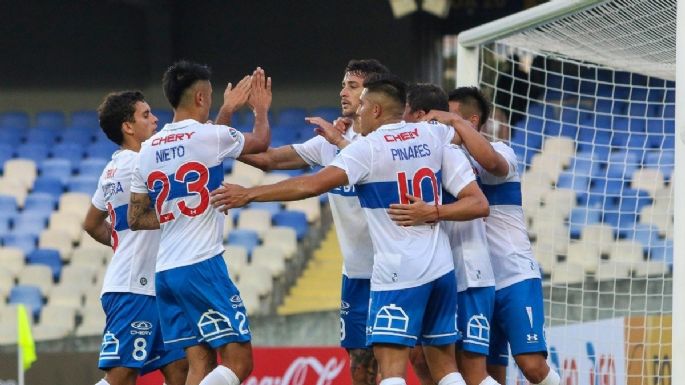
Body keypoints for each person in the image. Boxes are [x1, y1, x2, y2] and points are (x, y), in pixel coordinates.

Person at [210, 74, 490, 385]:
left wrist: (248, 194)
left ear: (376, 110)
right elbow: (469, 155)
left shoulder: (368, 148)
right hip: (439, 268)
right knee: (446, 369)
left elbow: (310, 185)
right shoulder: (429, 134)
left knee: (392, 369)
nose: (355, 110)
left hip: (397, 271)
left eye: (362, 102)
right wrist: (454, 119)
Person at [213, 58, 389, 385]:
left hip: (394, 271)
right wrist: (254, 117)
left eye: (352, 86)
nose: (342, 92)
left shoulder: (386, 143)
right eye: (342, 84)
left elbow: (311, 185)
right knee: (359, 366)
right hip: (356, 274)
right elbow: (268, 159)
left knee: (405, 362)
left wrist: (340, 142)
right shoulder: (330, 140)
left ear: (373, 94)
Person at [127, 60, 271, 385]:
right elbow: (260, 142)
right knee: (239, 361)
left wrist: (176, 212)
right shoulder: (209, 136)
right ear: (203, 98)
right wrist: (260, 109)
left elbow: (135, 218)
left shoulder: (147, 151)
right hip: (201, 265)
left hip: (165, 272)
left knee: (200, 365)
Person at [431, 86, 559, 385]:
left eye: (448, 118)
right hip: (478, 282)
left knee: (532, 366)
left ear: (471, 121)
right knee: (488, 374)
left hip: (514, 275)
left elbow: (492, 165)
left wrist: (455, 124)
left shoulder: (503, 151)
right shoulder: (446, 160)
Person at [396, 84, 499, 385]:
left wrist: (432, 212)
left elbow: (481, 204)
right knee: (424, 359)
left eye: (404, 113)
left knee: (472, 373)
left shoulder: (450, 151)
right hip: (440, 273)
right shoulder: (417, 155)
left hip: (470, 273)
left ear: (421, 116)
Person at [83, 91, 188, 385]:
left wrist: (121, 241)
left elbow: (92, 223)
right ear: (128, 127)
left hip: (154, 286)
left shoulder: (114, 166)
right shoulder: (140, 163)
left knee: (180, 368)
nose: (155, 119)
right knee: (122, 374)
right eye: (146, 114)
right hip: (133, 286)